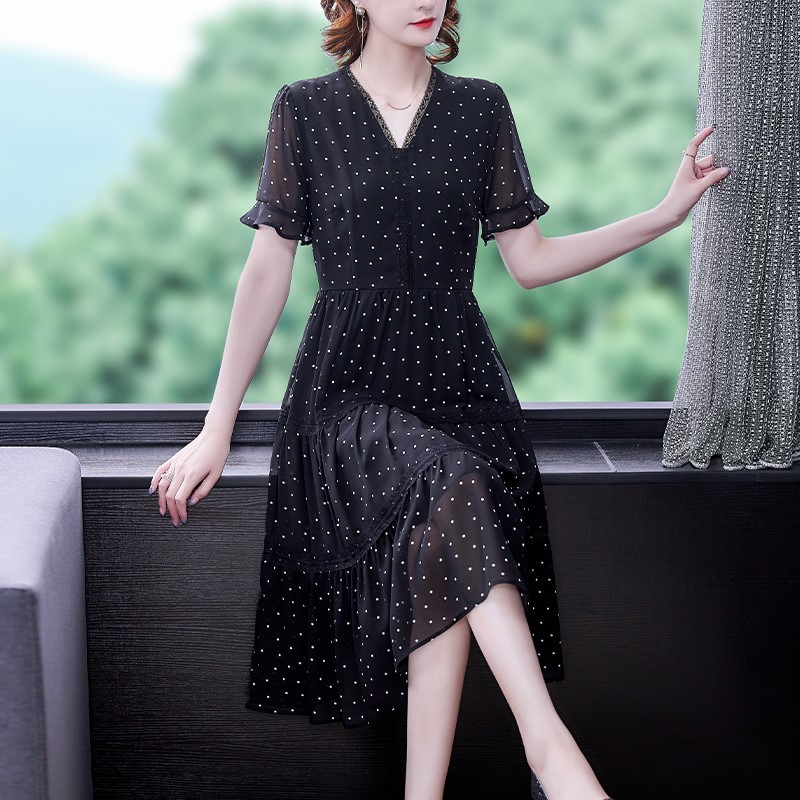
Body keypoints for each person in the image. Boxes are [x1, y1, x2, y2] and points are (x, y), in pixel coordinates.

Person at [148, 2, 731, 798]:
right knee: (453, 483)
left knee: (445, 538)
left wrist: (665, 216)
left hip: (462, 389)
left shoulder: (481, 107)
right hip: (347, 394)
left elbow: (530, 261)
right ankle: (550, 751)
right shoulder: (304, 108)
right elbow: (266, 271)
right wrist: (216, 429)